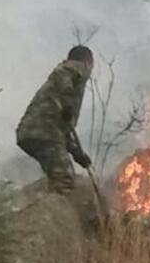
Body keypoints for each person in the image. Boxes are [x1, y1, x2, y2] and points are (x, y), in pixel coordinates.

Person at [16, 45, 95, 194]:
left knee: (56, 177)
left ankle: (51, 209)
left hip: (37, 133)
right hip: (43, 132)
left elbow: (63, 127)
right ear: (87, 62)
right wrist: (68, 104)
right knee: (64, 179)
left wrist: (76, 152)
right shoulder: (70, 71)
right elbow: (65, 82)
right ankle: (58, 213)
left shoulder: (67, 82)